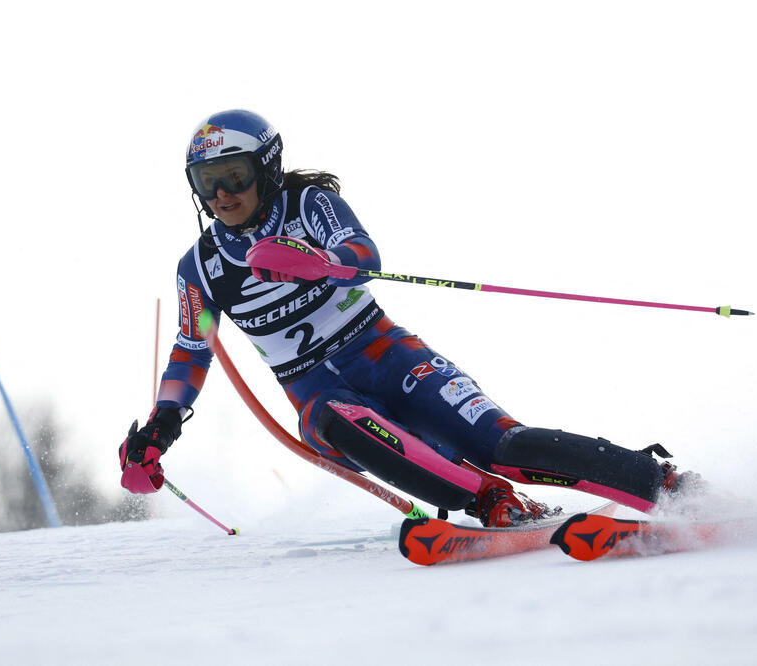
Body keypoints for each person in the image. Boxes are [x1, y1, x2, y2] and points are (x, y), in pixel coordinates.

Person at [118, 109, 700, 527]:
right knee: (330, 420)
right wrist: (162, 426)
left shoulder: (307, 204)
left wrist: (320, 263)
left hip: (389, 358)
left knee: (505, 445)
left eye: (235, 175)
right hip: (321, 393)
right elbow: (192, 348)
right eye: (207, 182)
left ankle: (670, 487)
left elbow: (364, 256)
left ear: (266, 168)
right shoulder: (199, 266)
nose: (222, 194)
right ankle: (492, 505)